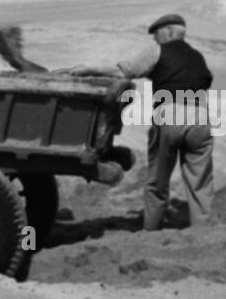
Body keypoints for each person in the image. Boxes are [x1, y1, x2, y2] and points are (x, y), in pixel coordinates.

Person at [68, 13, 214, 231]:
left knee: (157, 181)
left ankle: (151, 230)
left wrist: (89, 69)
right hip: (201, 118)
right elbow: (205, 80)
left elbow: (124, 71)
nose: (154, 40)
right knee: (200, 181)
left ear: (170, 32)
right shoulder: (198, 57)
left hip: (170, 114)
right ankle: (203, 232)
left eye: (156, 35)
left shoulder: (158, 51)